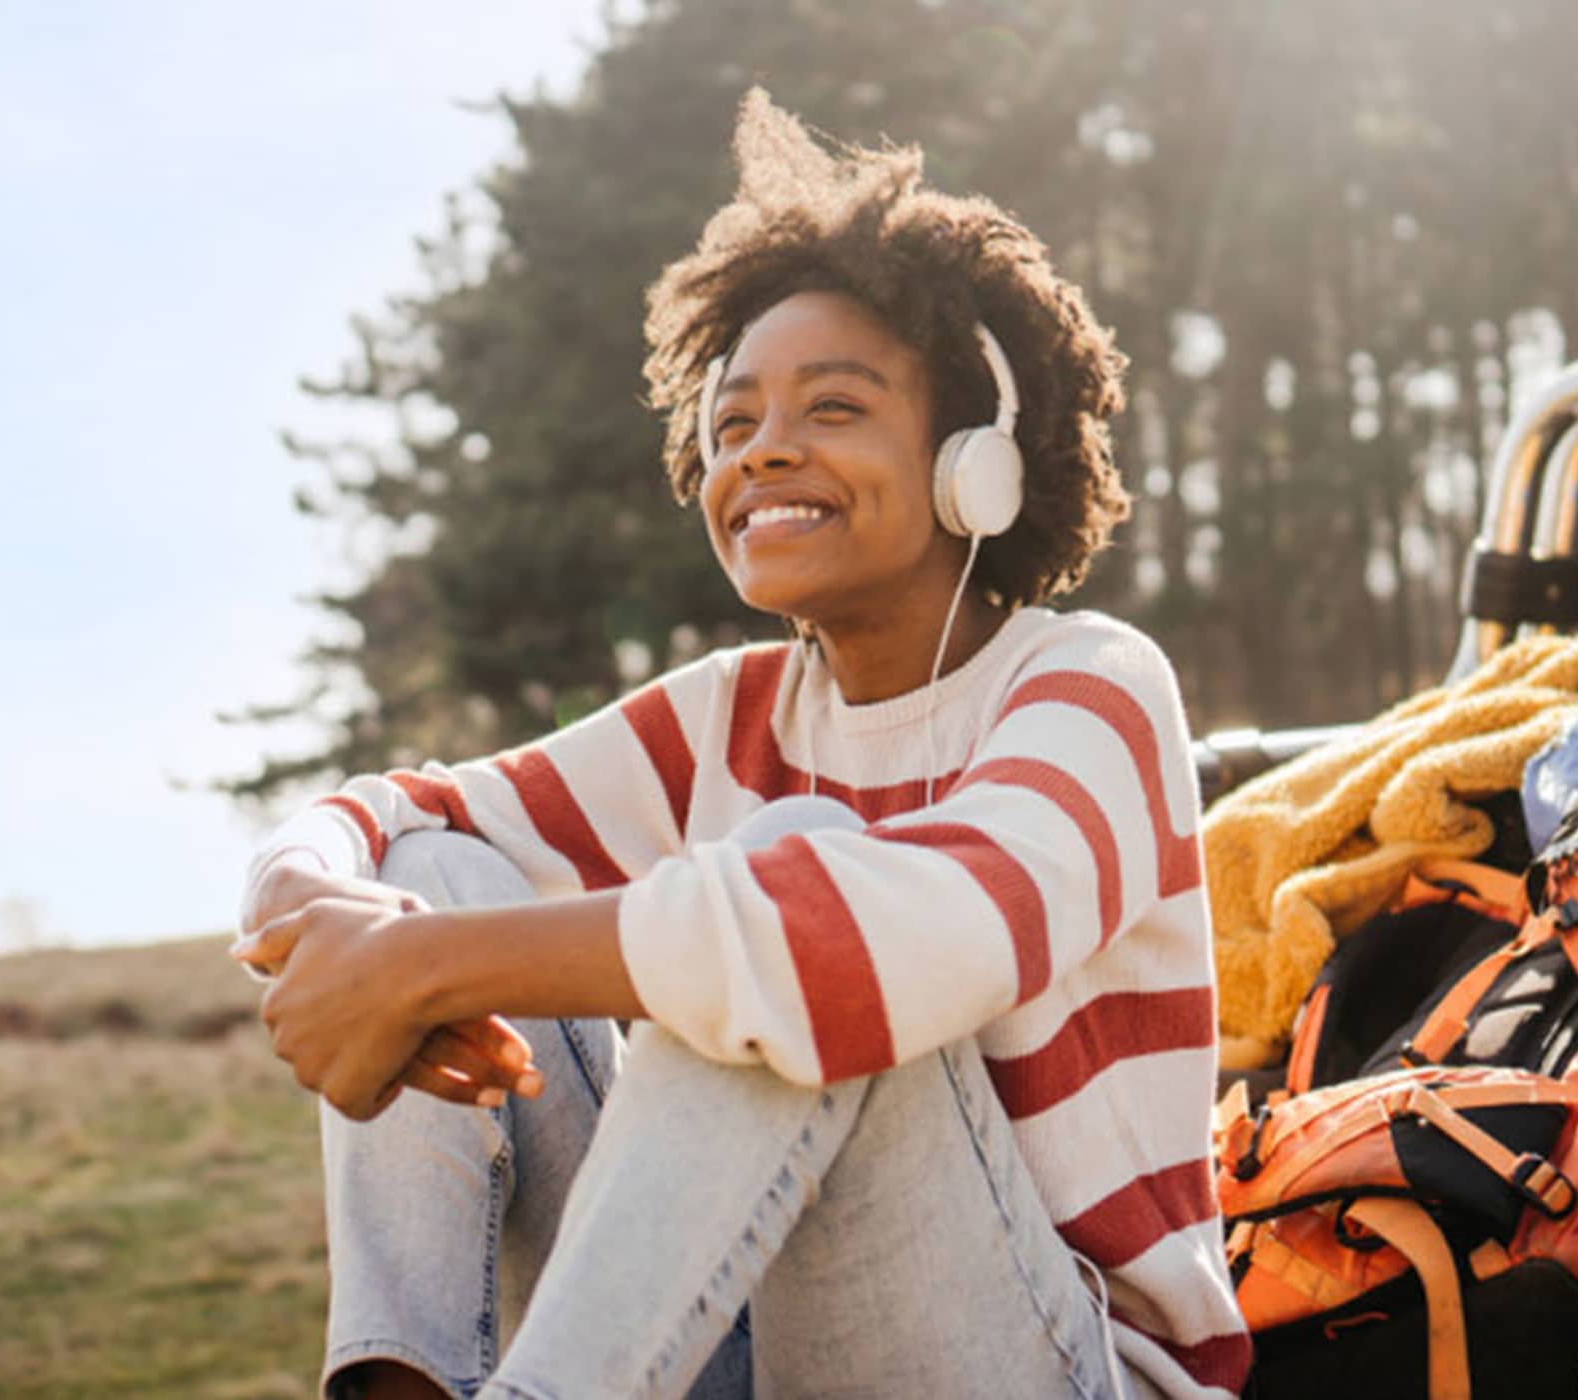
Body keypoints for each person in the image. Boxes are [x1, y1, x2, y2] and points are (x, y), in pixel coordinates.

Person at [232, 91, 1246, 1400]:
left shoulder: (1088, 684)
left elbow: (865, 943)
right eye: (734, 424)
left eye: (832, 408)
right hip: (756, 1351)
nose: (765, 451)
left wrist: (417, 969)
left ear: (974, 463)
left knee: (790, 891)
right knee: (440, 859)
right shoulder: (728, 710)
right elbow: (389, 813)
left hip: (1066, 1366)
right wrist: (310, 897)